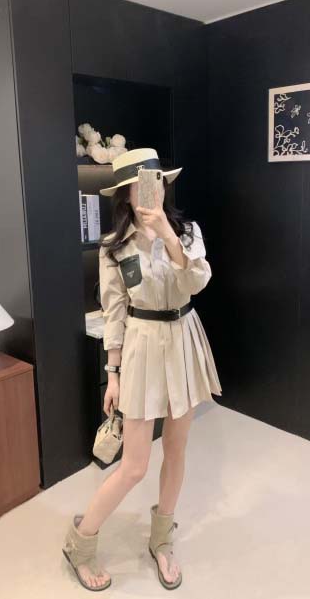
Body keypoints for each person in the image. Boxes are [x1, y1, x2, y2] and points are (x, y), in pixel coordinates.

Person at [63, 148, 222, 591]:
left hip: (184, 338)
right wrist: (112, 374)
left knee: (177, 449)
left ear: (162, 184)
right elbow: (114, 312)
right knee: (134, 465)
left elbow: (197, 282)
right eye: (137, 185)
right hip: (142, 344)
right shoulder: (113, 247)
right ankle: (80, 543)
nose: (148, 191)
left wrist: (168, 236)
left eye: (154, 181)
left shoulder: (187, 233)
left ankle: (161, 540)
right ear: (125, 194)